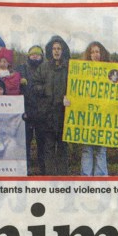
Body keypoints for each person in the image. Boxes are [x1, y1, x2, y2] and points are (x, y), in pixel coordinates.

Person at [75, 41, 118, 176]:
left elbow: (116, 93)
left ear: (102, 53)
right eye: (92, 52)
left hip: (103, 117)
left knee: (101, 150)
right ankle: (85, 180)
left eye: (97, 51)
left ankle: (101, 180)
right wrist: (70, 101)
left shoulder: (112, 71)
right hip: (87, 116)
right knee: (87, 149)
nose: (95, 55)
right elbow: (76, 92)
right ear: (88, 55)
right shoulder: (82, 71)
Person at [32, 35, 71, 175]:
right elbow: (34, 85)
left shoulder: (69, 68)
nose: (56, 51)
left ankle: (63, 178)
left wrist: (69, 97)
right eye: (54, 48)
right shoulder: (43, 68)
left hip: (63, 115)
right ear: (50, 50)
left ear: (63, 50)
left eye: (59, 48)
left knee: (62, 148)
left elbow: (75, 88)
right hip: (47, 114)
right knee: (48, 148)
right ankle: (50, 179)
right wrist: (44, 90)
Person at [17, 44, 45, 175]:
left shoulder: (45, 69)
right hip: (26, 112)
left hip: (41, 113)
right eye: (33, 54)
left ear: (41, 56)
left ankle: (43, 170)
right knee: (25, 144)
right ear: (29, 56)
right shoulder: (21, 69)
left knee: (42, 144)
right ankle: (25, 170)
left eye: (38, 54)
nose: (35, 56)